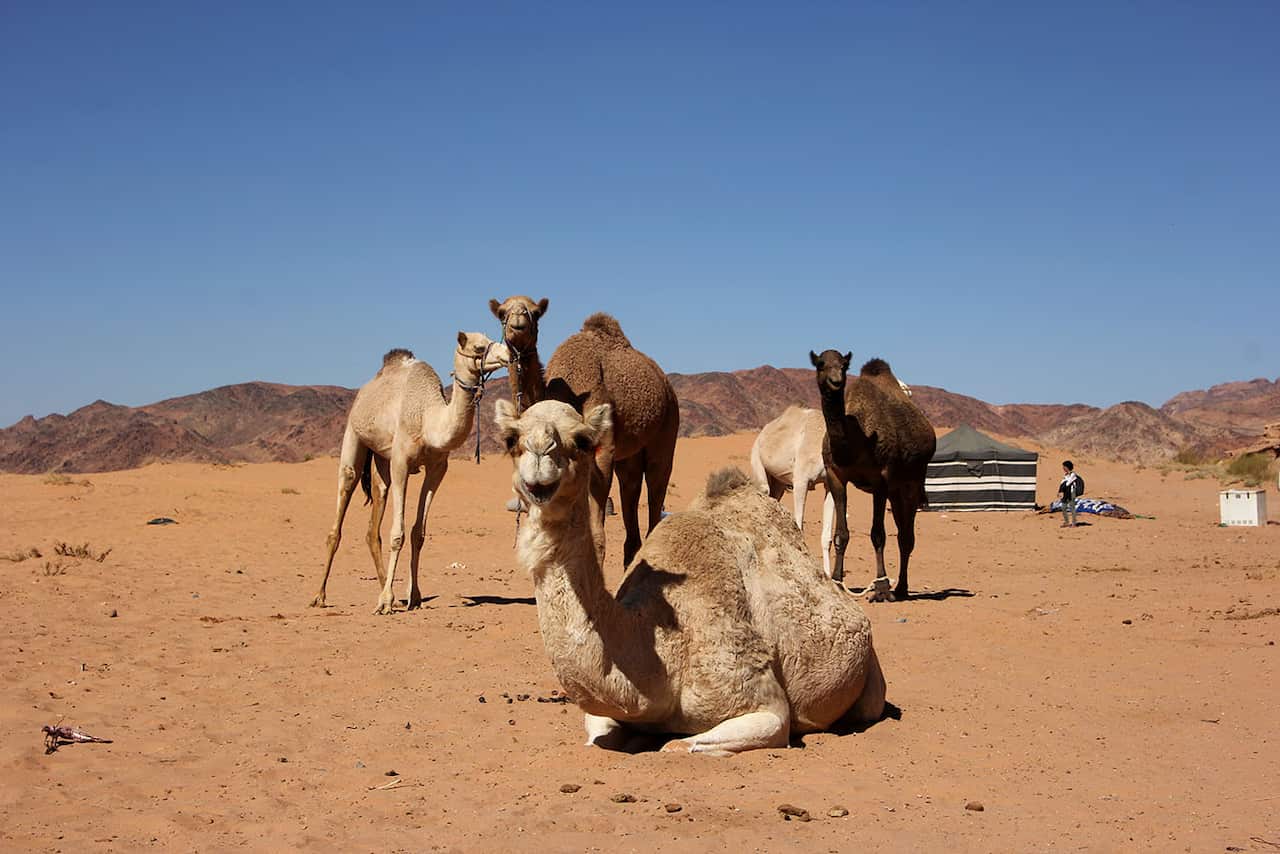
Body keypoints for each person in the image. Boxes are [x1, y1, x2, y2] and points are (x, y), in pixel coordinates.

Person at [1058, 460, 1083, 527]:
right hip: (1065, 493)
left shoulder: (1073, 475)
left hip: (1071, 493)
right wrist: (1060, 491)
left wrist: (1063, 487)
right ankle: (1067, 522)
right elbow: (1062, 484)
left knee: (1072, 507)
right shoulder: (1066, 475)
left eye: (1064, 467)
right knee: (1063, 507)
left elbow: (1067, 483)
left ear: (1067, 467)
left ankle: (1074, 523)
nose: (1063, 468)